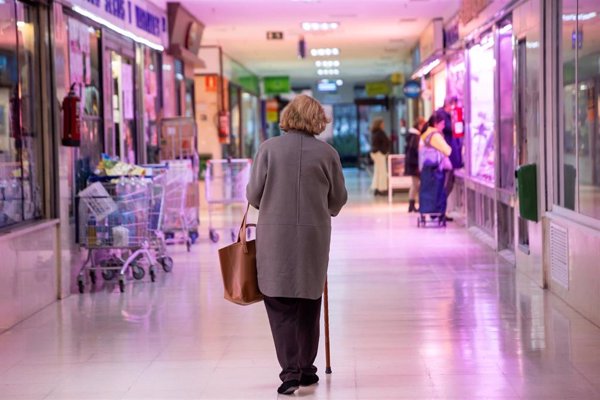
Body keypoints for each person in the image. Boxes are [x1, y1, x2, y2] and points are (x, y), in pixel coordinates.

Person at [246, 94, 348, 396]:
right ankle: (306, 369)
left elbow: (253, 195)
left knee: (279, 303)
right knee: (309, 299)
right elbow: (337, 200)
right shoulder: (328, 154)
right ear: (317, 120)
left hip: (275, 238)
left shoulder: (268, 150)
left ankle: (289, 373)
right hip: (313, 237)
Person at [419, 113, 452, 219]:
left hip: (426, 168)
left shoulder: (425, 134)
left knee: (428, 190)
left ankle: (428, 210)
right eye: (442, 124)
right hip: (437, 168)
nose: (443, 126)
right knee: (439, 190)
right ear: (436, 123)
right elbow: (447, 150)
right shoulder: (435, 135)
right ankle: (439, 212)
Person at [436, 96, 463, 220]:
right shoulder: (443, 117)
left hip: (450, 155)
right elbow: (449, 130)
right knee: (446, 183)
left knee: (448, 183)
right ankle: (440, 210)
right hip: (448, 156)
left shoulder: (444, 116)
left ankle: (440, 210)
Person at [405, 117, 426, 212]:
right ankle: (412, 204)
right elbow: (415, 151)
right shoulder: (416, 137)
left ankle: (411, 204)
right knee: (415, 185)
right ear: (419, 125)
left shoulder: (412, 136)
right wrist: (418, 164)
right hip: (414, 164)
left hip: (412, 164)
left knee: (414, 184)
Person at [370, 118, 391, 195]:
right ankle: (382, 189)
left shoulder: (374, 132)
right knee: (382, 172)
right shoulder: (380, 133)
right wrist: (385, 152)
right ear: (379, 124)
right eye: (382, 123)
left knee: (377, 171)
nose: (383, 125)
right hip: (379, 154)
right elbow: (385, 142)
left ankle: (377, 188)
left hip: (375, 153)